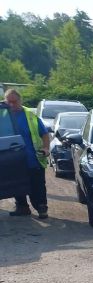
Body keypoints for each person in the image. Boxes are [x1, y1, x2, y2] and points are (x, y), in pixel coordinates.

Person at [1, 89, 50, 218]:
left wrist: (46, 148)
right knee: (16, 183)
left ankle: (41, 208)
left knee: (37, 185)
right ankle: (22, 207)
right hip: (12, 157)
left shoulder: (30, 115)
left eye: (14, 102)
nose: (11, 105)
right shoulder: (3, 115)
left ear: (20, 100)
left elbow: (45, 134)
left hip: (32, 157)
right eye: (9, 102)